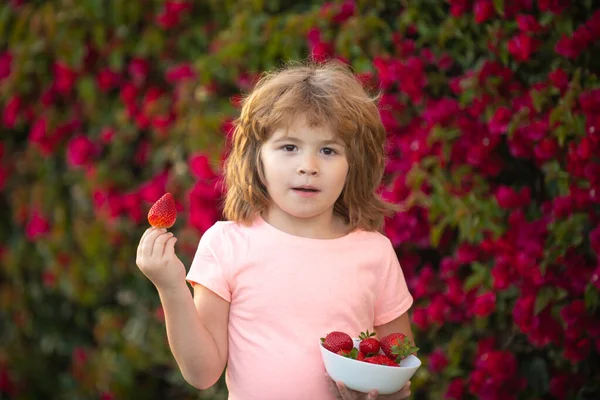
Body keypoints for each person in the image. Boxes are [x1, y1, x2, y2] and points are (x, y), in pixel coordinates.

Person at [136, 59, 416, 400]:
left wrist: (385, 394)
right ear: (257, 158)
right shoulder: (227, 245)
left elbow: (397, 362)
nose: (308, 167)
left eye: (328, 150)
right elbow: (202, 372)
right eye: (289, 147)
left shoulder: (374, 252)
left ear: (352, 165)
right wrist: (170, 287)